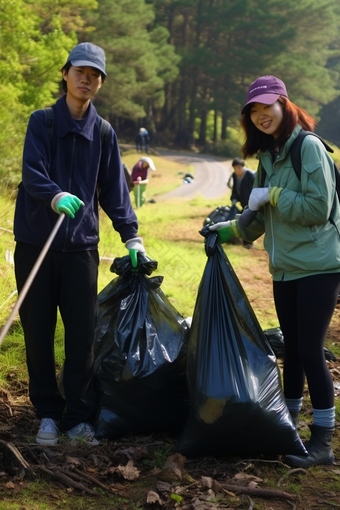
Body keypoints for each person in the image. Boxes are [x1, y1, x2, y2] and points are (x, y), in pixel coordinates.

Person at [13, 42, 146, 445]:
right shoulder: (42, 122)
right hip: (37, 243)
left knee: (81, 336)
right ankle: (49, 415)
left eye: (95, 74)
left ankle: (79, 417)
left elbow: (115, 192)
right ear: (66, 73)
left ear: (100, 83)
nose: (87, 79)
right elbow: (32, 172)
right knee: (37, 332)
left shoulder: (104, 133)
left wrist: (132, 236)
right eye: (80, 71)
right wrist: (54, 195)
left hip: (81, 249)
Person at [209, 75, 340, 468]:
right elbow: (258, 219)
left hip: (318, 266)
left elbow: (318, 208)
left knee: (309, 350)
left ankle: (322, 442)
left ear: (285, 103)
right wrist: (227, 230)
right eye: (254, 110)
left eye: (268, 106)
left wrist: (276, 195)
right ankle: (288, 425)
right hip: (284, 269)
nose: (262, 115)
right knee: (292, 354)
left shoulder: (309, 148)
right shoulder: (269, 157)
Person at [227, 158, 255, 248]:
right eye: (235, 168)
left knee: (248, 223)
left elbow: (256, 188)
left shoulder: (249, 175)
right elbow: (235, 188)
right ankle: (244, 241)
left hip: (252, 204)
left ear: (243, 167)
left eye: (239, 167)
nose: (237, 170)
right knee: (240, 222)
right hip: (243, 203)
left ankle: (249, 243)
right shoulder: (235, 176)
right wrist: (234, 198)